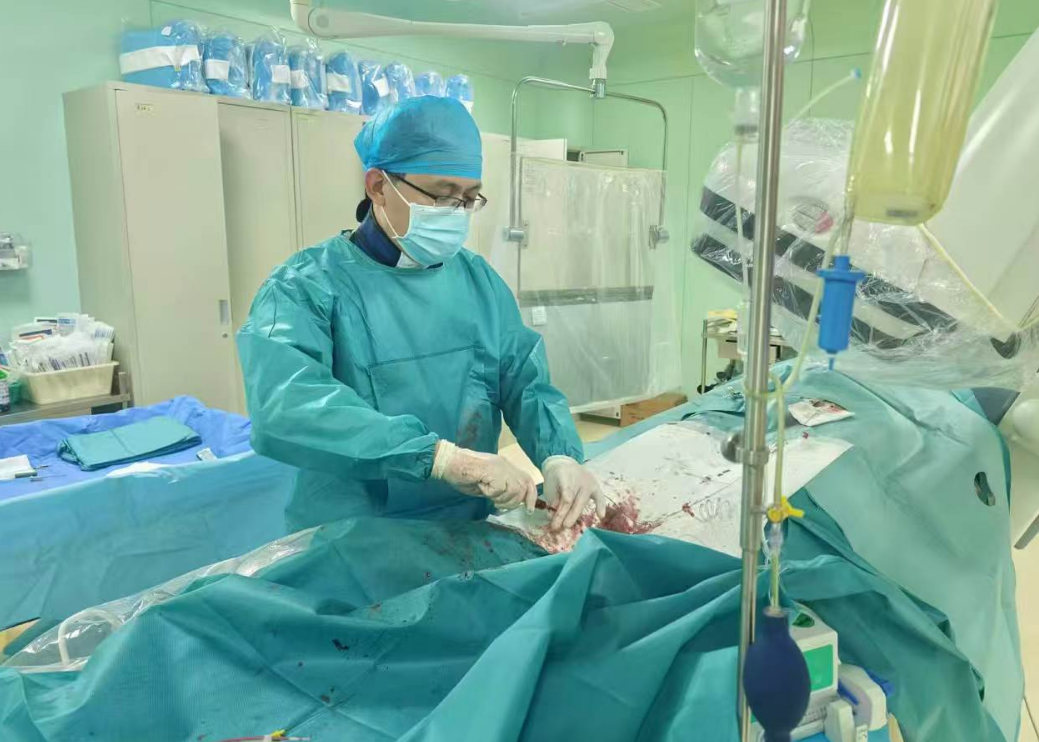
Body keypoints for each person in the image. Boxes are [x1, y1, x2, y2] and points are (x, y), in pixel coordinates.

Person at [238, 96, 605, 533]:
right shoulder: (305, 287)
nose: (457, 212)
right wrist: (438, 458)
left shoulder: (477, 281)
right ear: (378, 186)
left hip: (467, 525)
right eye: (442, 195)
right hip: (353, 535)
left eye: (469, 198)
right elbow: (287, 406)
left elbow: (523, 379)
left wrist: (559, 453)